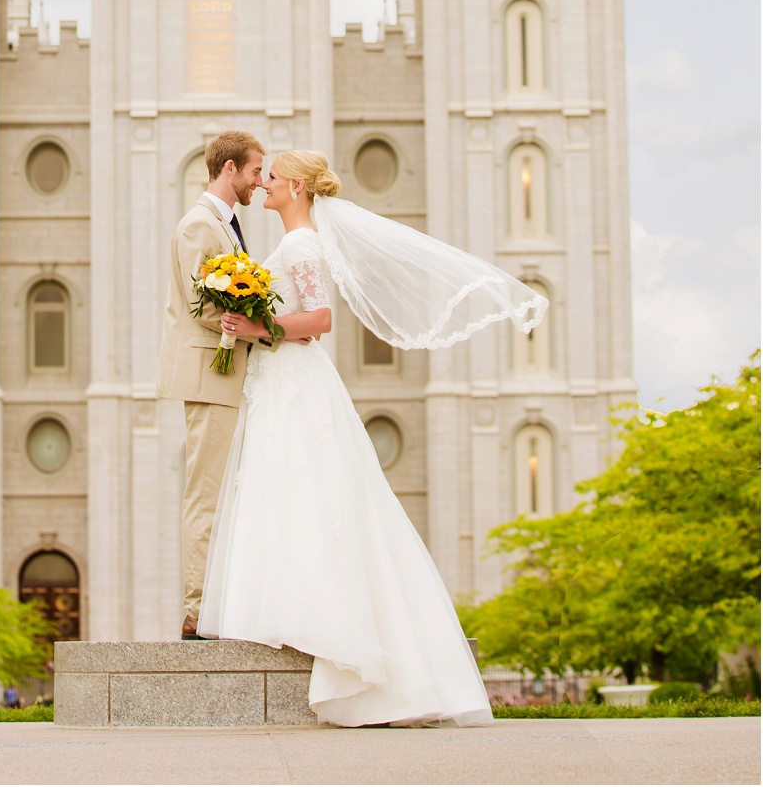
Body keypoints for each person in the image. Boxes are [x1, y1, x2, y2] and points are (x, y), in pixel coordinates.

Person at [198, 148, 548, 727]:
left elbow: (320, 320)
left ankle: (326, 626)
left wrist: (256, 326)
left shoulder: (303, 244)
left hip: (296, 381)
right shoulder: (295, 241)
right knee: (286, 492)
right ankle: (289, 612)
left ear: (300, 189)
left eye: (274, 179)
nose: (264, 187)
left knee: (308, 494)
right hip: (279, 379)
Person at [157, 130, 266, 638]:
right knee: (205, 494)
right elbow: (202, 305)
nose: (258, 182)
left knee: (227, 494)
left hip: (228, 373)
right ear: (229, 170)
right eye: (254, 171)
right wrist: (260, 322)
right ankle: (197, 609)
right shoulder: (198, 227)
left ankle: (222, 601)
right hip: (210, 373)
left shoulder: (225, 225)